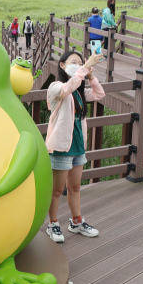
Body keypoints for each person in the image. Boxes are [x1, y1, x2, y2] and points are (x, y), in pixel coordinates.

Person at [44, 50, 105, 243]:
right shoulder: (56, 86)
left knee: (75, 187)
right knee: (56, 190)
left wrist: (91, 75)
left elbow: (99, 94)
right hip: (61, 147)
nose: (78, 66)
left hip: (78, 146)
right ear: (62, 65)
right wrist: (85, 68)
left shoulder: (79, 92)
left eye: (80, 63)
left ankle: (76, 222)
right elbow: (66, 89)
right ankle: (52, 224)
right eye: (74, 62)